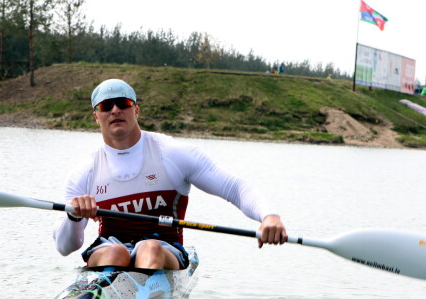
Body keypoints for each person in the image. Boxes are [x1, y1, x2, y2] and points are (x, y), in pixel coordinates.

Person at [53, 78, 287, 270]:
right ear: (96, 116)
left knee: (149, 248)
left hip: (165, 248)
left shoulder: (172, 154)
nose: (115, 110)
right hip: (109, 249)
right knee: (116, 252)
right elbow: (65, 247)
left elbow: (234, 188)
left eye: (122, 103)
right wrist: (73, 217)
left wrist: (269, 216)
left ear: (136, 110)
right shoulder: (85, 172)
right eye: (106, 106)